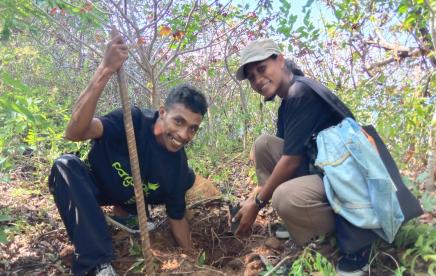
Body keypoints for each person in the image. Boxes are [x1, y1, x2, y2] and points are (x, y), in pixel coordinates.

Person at [48, 34, 208, 276]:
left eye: (192, 128)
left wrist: (195, 262)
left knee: (186, 178)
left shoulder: (177, 167)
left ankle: (130, 217)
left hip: (134, 200)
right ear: (162, 112)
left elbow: (177, 218)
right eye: (179, 121)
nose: (184, 134)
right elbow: (74, 132)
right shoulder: (132, 121)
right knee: (65, 165)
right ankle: (96, 265)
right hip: (97, 187)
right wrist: (105, 69)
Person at [232, 38, 372, 275]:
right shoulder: (287, 103)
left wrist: (257, 204)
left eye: (261, 69)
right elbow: (287, 151)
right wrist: (253, 197)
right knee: (263, 145)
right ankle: (298, 221)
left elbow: (291, 161)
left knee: (284, 196)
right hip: (326, 169)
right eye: (252, 76)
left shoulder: (301, 92)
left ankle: (338, 245)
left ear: (280, 60)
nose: (257, 80)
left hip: (351, 181)